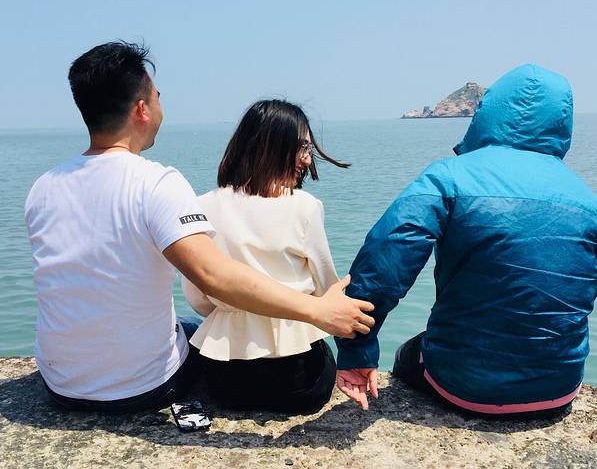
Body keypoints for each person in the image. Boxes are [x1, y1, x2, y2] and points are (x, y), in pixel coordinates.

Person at [24, 41, 374, 413]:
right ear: (142, 109)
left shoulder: (42, 188)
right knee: (193, 333)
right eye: (158, 97)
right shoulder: (156, 183)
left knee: (201, 325)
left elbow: (198, 296)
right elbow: (213, 276)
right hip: (142, 387)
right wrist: (318, 311)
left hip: (59, 384)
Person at [335, 64, 597, 417]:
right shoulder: (588, 201)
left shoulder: (447, 177)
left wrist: (357, 351)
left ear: (488, 114)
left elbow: (386, 262)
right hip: (559, 390)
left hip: (462, 386)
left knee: (408, 353)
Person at [182, 99, 347, 413]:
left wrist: (234, 314)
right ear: (273, 146)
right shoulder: (305, 207)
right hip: (299, 379)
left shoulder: (202, 206)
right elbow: (326, 289)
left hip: (228, 380)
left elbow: (198, 296)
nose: (306, 158)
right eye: (301, 147)